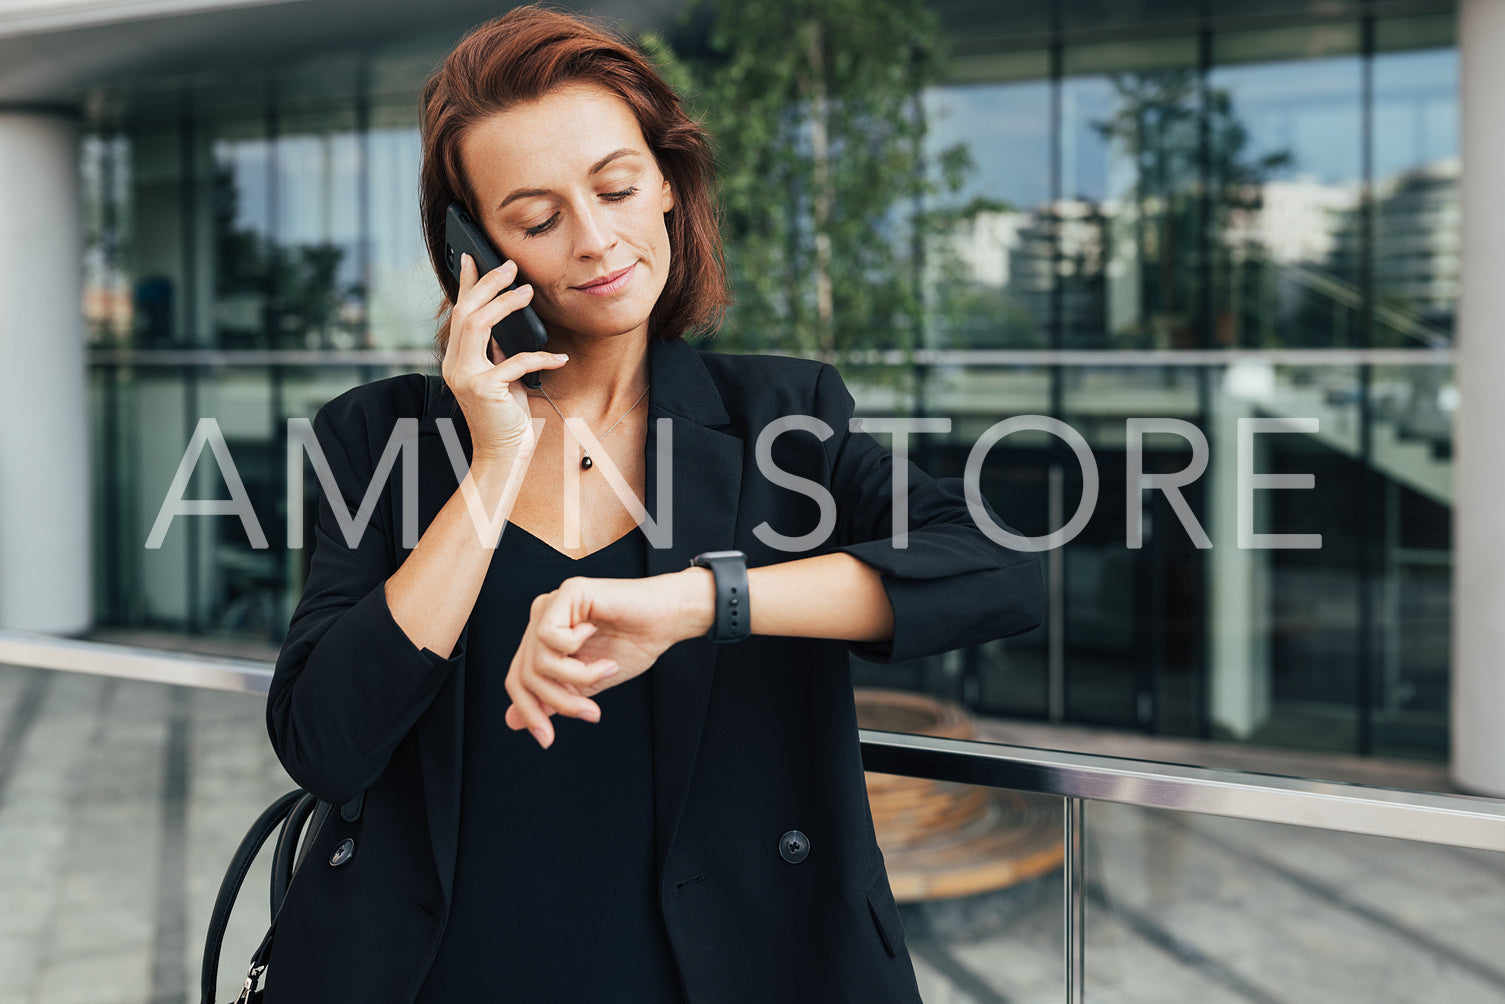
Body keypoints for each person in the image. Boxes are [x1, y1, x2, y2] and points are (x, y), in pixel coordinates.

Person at [264, 6, 1044, 1002]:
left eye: (617, 188)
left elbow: (998, 565)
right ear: (473, 251)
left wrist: (696, 604)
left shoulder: (781, 417)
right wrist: (493, 460)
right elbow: (326, 742)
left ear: (666, 185)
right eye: (537, 218)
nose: (594, 241)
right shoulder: (375, 438)